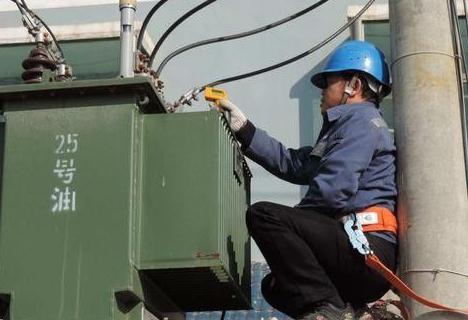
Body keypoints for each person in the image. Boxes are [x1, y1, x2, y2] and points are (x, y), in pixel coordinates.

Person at [217, 40, 398, 320]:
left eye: (328, 83)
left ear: (354, 85)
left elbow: (332, 191)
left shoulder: (361, 122)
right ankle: (350, 311)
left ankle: (330, 309)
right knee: (275, 287)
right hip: (353, 253)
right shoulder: (344, 129)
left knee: (265, 216)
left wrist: (290, 227)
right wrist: (245, 130)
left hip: (367, 251)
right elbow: (295, 164)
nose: (322, 92)